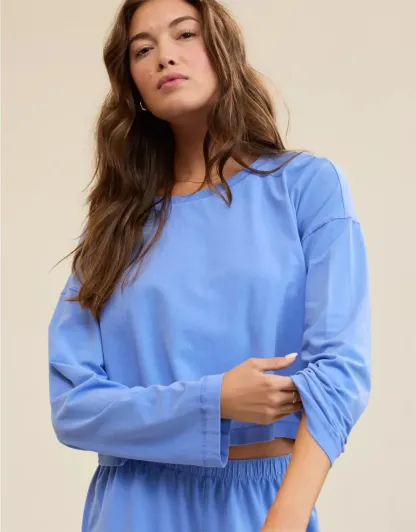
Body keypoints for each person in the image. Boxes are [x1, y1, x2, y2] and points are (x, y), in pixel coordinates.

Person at [48, 0, 371, 530]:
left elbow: (339, 370)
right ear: (132, 83)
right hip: (133, 506)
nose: (164, 57)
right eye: (143, 50)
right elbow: (73, 407)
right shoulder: (113, 227)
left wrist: (286, 518)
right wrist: (213, 400)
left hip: (265, 503)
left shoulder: (306, 188)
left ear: (223, 48)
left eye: (185, 34)